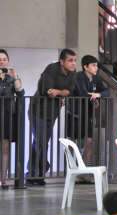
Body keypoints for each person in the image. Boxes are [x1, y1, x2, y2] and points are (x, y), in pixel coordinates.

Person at [27, 49, 77, 185]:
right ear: (62, 62)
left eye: (74, 60)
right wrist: (61, 93)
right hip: (38, 109)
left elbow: (69, 91)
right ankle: (34, 173)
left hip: (52, 111)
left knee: (42, 142)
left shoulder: (73, 74)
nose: (73, 64)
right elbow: (48, 91)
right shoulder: (52, 68)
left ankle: (37, 173)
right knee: (40, 141)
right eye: (70, 60)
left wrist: (59, 92)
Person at [69, 55, 109, 182]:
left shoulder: (96, 78)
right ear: (85, 67)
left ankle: (84, 171)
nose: (96, 68)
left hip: (88, 114)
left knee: (89, 142)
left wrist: (98, 95)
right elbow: (82, 93)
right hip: (75, 114)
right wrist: (93, 96)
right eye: (93, 65)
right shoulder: (78, 77)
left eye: (96, 65)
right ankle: (73, 172)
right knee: (74, 143)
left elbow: (106, 91)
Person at [0, 49, 24, 189]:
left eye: (4, 59)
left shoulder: (11, 76)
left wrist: (15, 77)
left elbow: (21, 93)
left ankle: (3, 179)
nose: (2, 61)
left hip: (8, 114)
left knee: (5, 147)